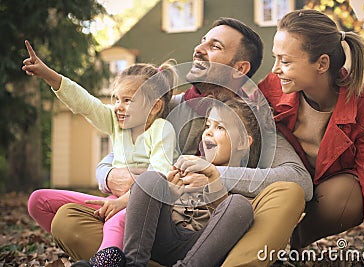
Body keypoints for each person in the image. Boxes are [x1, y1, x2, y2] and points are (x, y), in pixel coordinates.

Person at [50, 17, 313, 266]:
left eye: (215, 46)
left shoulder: (254, 120)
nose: (199, 49)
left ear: (238, 69)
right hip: (163, 230)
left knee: (287, 193)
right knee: (68, 220)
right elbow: (125, 142)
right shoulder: (171, 107)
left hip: (227, 232)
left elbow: (300, 180)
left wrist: (216, 176)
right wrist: (107, 175)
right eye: (202, 41)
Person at [258, 9, 364, 266]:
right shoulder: (271, 87)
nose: (275, 69)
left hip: (322, 194)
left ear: (322, 64)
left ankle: (291, 244)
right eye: (275, 58)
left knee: (349, 195)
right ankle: (259, 240)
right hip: (279, 188)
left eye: (285, 61)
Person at [22, 41, 178, 261]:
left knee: (115, 221)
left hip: (146, 209)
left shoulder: (161, 129)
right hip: (112, 201)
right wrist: (48, 75)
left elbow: (157, 178)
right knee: (38, 200)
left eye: (128, 100)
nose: (118, 106)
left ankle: (107, 260)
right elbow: (85, 103)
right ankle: (96, 253)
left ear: (154, 107)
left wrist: (120, 203)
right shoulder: (115, 121)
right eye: (116, 99)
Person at [82, 95, 264, 266]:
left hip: (203, 246)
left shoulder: (250, 180)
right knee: (150, 179)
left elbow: (231, 218)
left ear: (242, 142)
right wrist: (168, 193)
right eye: (208, 125)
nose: (208, 132)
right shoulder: (187, 165)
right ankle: (133, 262)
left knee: (239, 205)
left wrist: (215, 180)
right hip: (163, 237)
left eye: (220, 127)